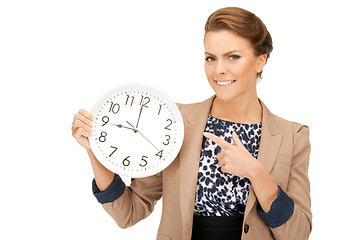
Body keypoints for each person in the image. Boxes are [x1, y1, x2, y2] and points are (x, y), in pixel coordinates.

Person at [71, 6, 312, 240]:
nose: (219, 70)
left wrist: (257, 173)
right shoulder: (176, 122)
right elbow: (130, 211)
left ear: (260, 61)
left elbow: (298, 234)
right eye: (210, 58)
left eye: (233, 57)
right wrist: (96, 152)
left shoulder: (293, 135)